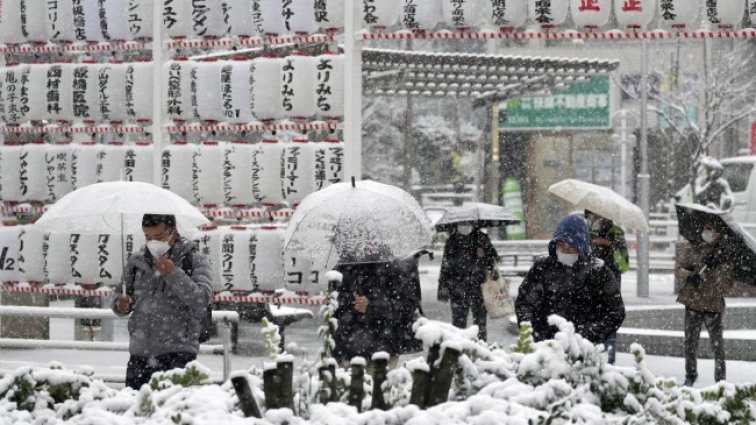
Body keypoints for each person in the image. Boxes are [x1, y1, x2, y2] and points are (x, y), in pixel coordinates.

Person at [112, 214, 213, 390]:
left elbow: (201, 300)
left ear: (173, 232)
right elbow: (121, 295)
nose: (153, 242)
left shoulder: (194, 259)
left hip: (178, 352)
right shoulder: (137, 261)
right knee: (135, 410)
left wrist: (172, 273)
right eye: (148, 237)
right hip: (140, 353)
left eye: (159, 237)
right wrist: (120, 304)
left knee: (172, 411)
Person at [515, 214, 625, 346]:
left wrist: (586, 337)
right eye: (561, 245)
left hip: (582, 351)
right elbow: (525, 303)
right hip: (544, 348)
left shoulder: (599, 272)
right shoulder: (542, 267)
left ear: (581, 247)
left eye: (571, 247)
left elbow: (615, 312)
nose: (565, 251)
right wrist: (534, 334)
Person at [675, 222, 734, 386]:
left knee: (717, 344)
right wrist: (690, 275)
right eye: (706, 228)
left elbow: (727, 285)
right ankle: (690, 375)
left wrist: (717, 267)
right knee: (690, 342)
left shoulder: (724, 254)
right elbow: (678, 269)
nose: (709, 232)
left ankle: (720, 379)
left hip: (713, 304)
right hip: (693, 300)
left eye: (713, 230)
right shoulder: (693, 247)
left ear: (720, 234)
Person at [437, 223, 499, 341]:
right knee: (458, 323)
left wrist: (484, 255)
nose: (464, 226)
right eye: (461, 223)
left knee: (480, 323)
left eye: (467, 223)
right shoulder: (452, 241)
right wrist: (443, 287)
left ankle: (481, 347)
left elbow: (493, 259)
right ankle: (459, 348)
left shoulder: (482, 238)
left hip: (478, 286)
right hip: (457, 287)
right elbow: (446, 266)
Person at [585, 209, 629, 364]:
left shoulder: (616, 233)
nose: (595, 218)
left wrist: (610, 246)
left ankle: (609, 359)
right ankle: (589, 358)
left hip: (611, 288)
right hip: (587, 288)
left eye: (598, 215)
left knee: (610, 320)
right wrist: (594, 245)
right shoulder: (586, 231)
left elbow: (623, 265)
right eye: (592, 215)